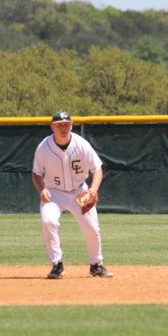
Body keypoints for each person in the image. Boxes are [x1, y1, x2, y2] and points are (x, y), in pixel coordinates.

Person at [31, 110, 113, 279]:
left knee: (91, 228)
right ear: (52, 127)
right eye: (60, 125)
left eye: (67, 124)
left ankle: (96, 265)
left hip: (79, 191)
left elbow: (97, 169)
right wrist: (42, 190)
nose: (64, 127)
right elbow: (36, 173)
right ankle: (57, 265)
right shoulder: (44, 147)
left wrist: (93, 190)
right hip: (53, 192)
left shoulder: (81, 144)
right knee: (48, 221)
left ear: (72, 125)